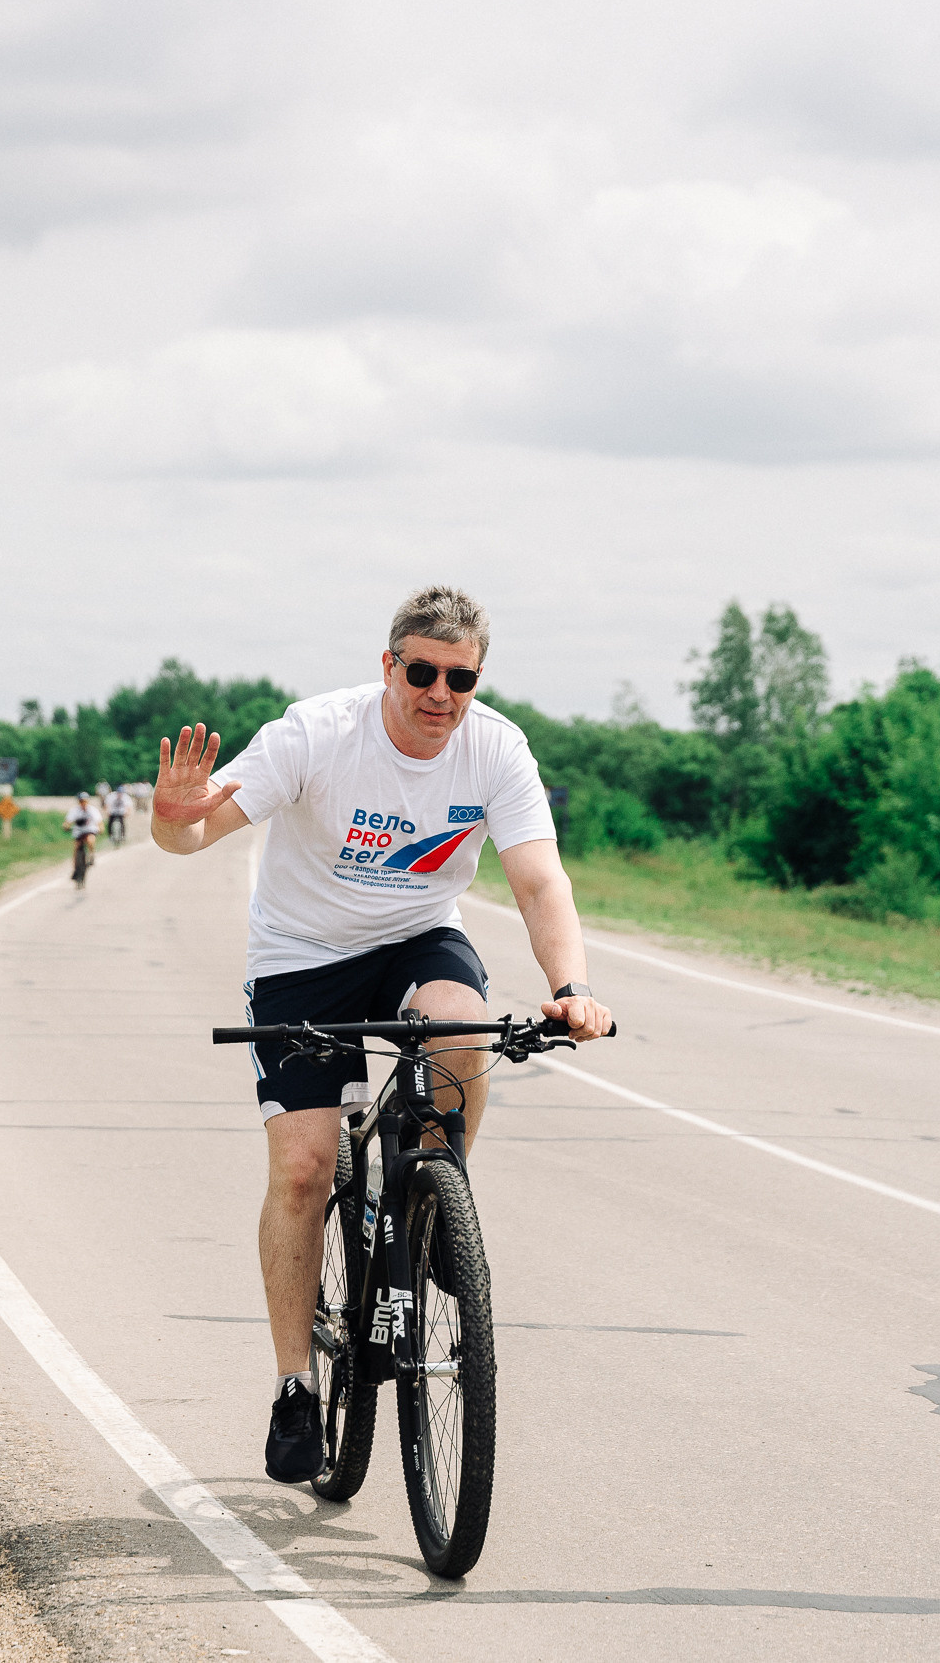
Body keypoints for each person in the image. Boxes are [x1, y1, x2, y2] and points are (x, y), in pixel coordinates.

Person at [150, 584, 613, 1484]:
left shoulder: (495, 749)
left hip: (415, 940)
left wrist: (572, 987)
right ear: (390, 665)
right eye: (422, 671)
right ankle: (294, 1384)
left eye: (462, 677)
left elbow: (539, 881)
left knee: (462, 1027)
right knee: (304, 1166)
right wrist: (174, 818)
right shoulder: (317, 734)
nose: (441, 693)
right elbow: (194, 835)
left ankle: (441, 1196)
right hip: (301, 955)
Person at [66, 792, 101, 887]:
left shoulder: (92, 810)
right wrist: (66, 826)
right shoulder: (74, 810)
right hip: (78, 832)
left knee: (90, 840)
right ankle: (76, 868)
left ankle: (91, 854)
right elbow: (68, 821)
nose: (83, 803)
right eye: (81, 801)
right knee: (76, 848)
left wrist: (100, 828)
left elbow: (99, 821)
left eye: (84, 801)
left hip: (90, 830)